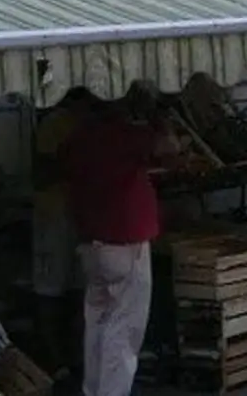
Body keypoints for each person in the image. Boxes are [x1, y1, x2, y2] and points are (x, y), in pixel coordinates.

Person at [61, 81, 175, 396]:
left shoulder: (79, 138)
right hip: (125, 243)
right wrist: (158, 115)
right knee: (123, 330)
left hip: (91, 243)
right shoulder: (122, 135)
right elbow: (169, 147)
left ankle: (93, 390)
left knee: (97, 323)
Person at [33, 88, 97, 378]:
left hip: (82, 215)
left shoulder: (90, 122)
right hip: (54, 215)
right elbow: (43, 170)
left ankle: (76, 356)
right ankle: (53, 360)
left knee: (79, 288)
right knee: (50, 288)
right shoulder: (55, 123)